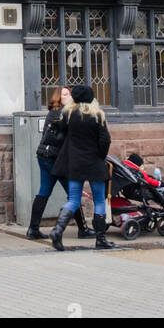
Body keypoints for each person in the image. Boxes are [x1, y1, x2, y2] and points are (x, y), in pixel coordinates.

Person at [50, 84, 114, 251]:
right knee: (99, 200)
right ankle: (100, 239)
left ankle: (57, 230)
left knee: (73, 199)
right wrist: (101, 155)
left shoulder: (68, 115)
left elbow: (59, 134)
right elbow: (105, 140)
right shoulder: (98, 115)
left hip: (75, 163)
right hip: (94, 163)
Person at [26, 86, 93, 240]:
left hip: (44, 156)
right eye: (64, 94)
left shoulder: (53, 113)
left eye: (69, 94)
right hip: (55, 160)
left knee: (44, 192)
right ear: (58, 97)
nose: (68, 97)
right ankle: (83, 229)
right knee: (73, 193)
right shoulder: (63, 113)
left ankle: (33, 229)